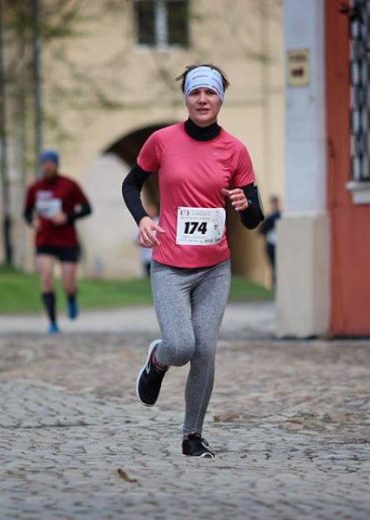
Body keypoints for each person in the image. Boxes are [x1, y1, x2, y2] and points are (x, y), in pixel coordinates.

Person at [122, 64, 264, 458]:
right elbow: (131, 183)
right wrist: (144, 219)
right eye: (195, 93)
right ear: (186, 98)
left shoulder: (234, 150)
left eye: (211, 93)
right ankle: (158, 359)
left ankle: (192, 435)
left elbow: (254, 218)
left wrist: (245, 202)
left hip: (215, 268)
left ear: (220, 99)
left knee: (204, 350)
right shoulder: (162, 141)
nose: (203, 100)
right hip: (169, 264)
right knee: (181, 345)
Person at [24, 150, 92, 334]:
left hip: (67, 240)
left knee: (68, 284)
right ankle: (52, 322)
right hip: (44, 239)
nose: (47, 166)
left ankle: (71, 297)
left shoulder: (69, 185)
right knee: (46, 278)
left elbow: (87, 208)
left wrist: (67, 217)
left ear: (56, 164)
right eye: (44, 163)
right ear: (41, 165)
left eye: (51, 163)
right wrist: (33, 221)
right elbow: (27, 212)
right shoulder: (35, 188)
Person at [259, 195, 281, 288]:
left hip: (279, 245)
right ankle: (274, 284)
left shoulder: (281, 216)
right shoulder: (270, 218)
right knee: (273, 266)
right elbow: (261, 231)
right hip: (271, 245)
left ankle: (278, 284)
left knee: (278, 266)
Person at [136, 203, 159, 277]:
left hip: (158, 256)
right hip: (146, 256)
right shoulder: (141, 222)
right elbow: (136, 239)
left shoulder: (159, 221)